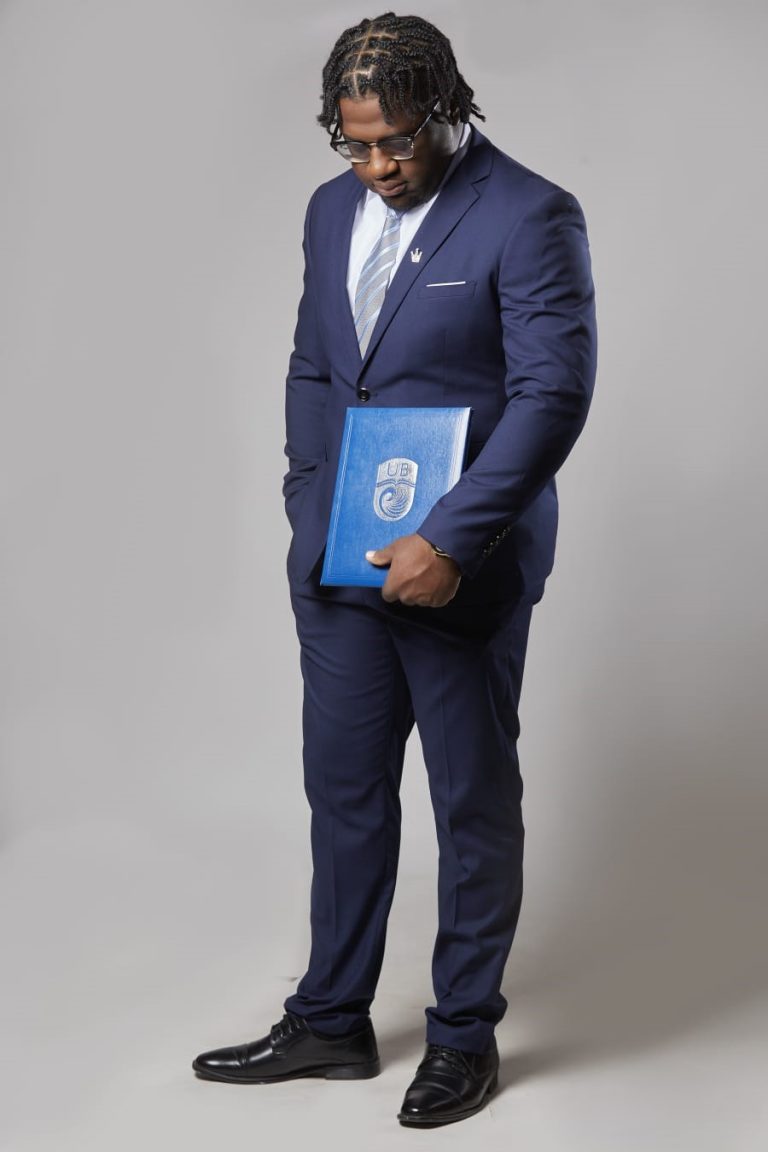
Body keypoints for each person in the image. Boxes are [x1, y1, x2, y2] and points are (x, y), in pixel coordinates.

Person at [193, 11, 597, 1127]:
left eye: (397, 142)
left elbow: (552, 395)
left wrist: (451, 540)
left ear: (448, 109)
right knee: (344, 792)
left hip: (460, 571)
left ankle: (464, 1036)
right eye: (356, 143)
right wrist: (306, 500)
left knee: (471, 802)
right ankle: (331, 1018)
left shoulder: (529, 213)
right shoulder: (330, 210)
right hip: (338, 565)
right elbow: (315, 364)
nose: (377, 165)